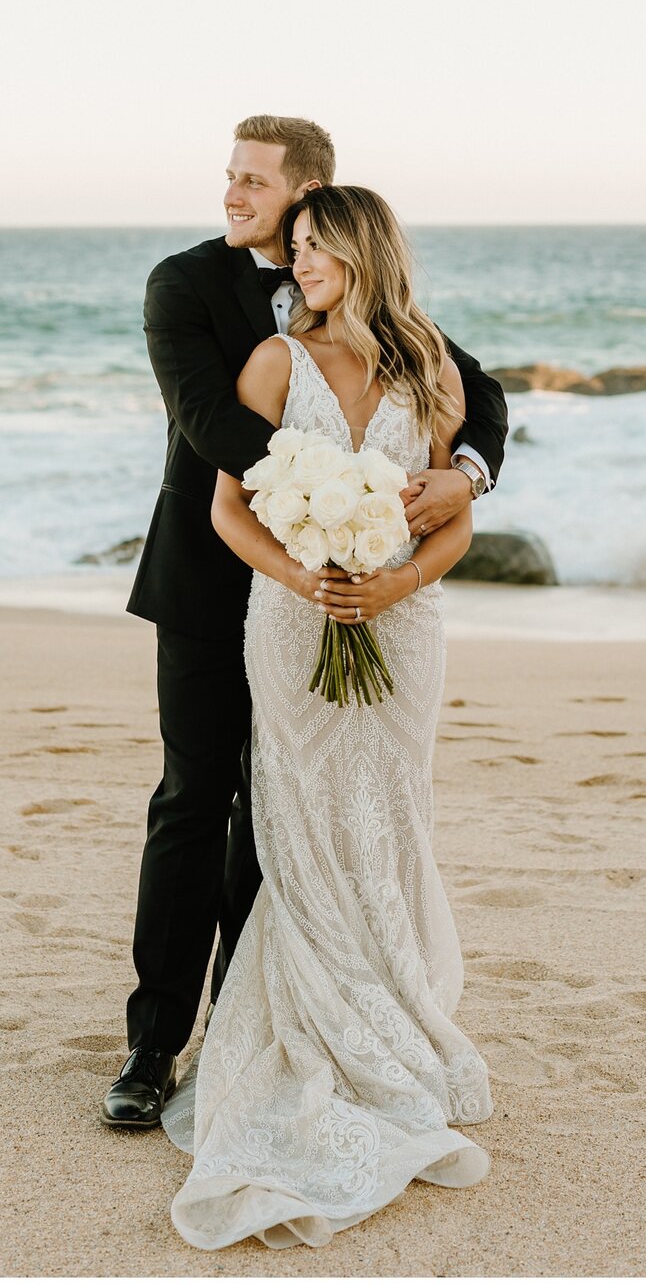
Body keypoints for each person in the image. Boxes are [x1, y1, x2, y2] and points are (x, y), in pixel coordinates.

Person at [107, 116, 506, 1131]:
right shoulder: (185, 285)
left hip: (350, 583)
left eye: (253, 181)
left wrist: (457, 477)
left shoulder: (356, 286)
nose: (234, 195)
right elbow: (211, 426)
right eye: (229, 176)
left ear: (310, 192)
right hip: (217, 588)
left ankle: (275, 1025)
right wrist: (343, 494)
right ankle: (152, 1046)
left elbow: (478, 393)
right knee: (197, 799)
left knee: (282, 818)